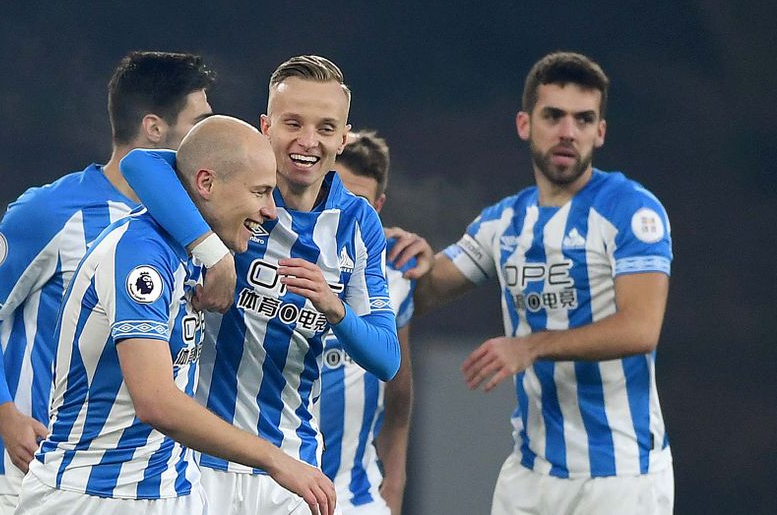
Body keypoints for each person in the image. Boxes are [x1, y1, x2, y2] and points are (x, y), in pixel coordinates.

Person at [389, 51, 674, 514]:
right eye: (554, 116)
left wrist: (531, 346)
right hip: (530, 476)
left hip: (622, 477)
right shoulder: (503, 223)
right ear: (525, 124)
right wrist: (401, 260)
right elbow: (419, 295)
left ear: (599, 133)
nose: (568, 132)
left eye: (583, 120)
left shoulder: (632, 211)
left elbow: (641, 328)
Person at [0, 50, 236, 515]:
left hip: (151, 484)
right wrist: (3, 413)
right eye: (198, 123)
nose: (207, 139)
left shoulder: (195, 229)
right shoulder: (51, 211)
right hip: (44, 472)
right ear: (154, 128)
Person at [120, 55, 401, 514]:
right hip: (195, 461)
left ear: (343, 138)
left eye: (326, 128)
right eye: (293, 123)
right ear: (266, 126)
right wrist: (215, 256)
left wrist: (335, 309)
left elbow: (387, 359)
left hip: (290, 467)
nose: (308, 142)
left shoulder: (357, 222)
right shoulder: (231, 190)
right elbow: (140, 165)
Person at [16, 116, 336, 515]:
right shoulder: (140, 254)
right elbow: (155, 402)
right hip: (90, 495)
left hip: (174, 493)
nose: (271, 210)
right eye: (260, 192)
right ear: (206, 184)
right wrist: (275, 459)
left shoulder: (196, 254)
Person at [318, 131, 414, 515]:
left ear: (378, 206)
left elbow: (399, 401)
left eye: (360, 204)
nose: (347, 214)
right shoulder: (274, 262)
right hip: (269, 490)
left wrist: (393, 488)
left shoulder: (394, 282)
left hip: (355, 500)